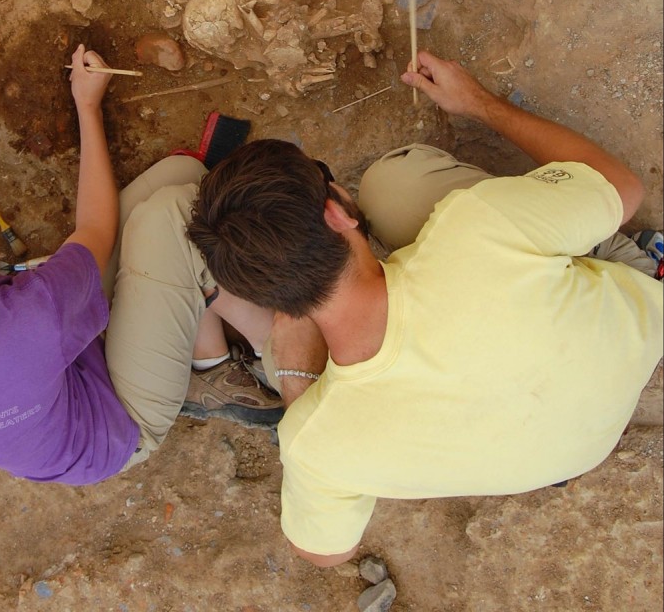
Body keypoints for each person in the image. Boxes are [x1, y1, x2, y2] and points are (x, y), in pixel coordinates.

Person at [187, 51, 664, 565]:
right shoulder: (476, 226)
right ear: (335, 212)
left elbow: (323, 552)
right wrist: (480, 104)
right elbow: (623, 186)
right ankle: (622, 253)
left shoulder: (312, 441)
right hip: (635, 334)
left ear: (267, 292)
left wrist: (300, 381)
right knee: (397, 184)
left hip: (573, 451)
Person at [0, 45, 279, 487]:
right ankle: (249, 358)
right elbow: (95, 228)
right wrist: (87, 105)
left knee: (176, 176)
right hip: (118, 429)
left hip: (50, 384)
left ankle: (193, 331)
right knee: (178, 208)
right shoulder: (30, 312)